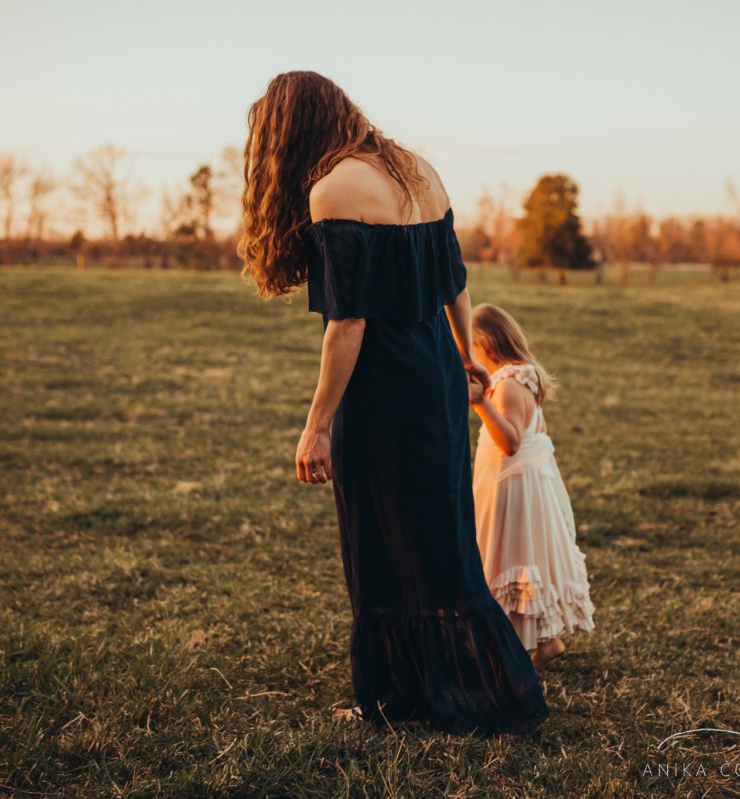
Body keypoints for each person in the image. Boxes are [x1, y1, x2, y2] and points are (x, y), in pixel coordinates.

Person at [238, 71, 548, 735]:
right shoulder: (417, 170)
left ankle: (391, 697)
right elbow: (456, 285)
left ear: (293, 130)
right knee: (443, 543)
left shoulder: (332, 189)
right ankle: (469, 687)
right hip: (435, 376)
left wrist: (316, 426)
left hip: (380, 392)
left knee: (377, 542)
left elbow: (348, 325)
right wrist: (464, 355)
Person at [467, 303, 595, 669]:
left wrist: (479, 404)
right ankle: (547, 642)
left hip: (509, 486)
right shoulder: (524, 375)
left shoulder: (507, 383)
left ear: (487, 343)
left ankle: (499, 648)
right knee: (523, 556)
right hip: (521, 483)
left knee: (503, 557)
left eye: (470, 348)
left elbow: (510, 443)